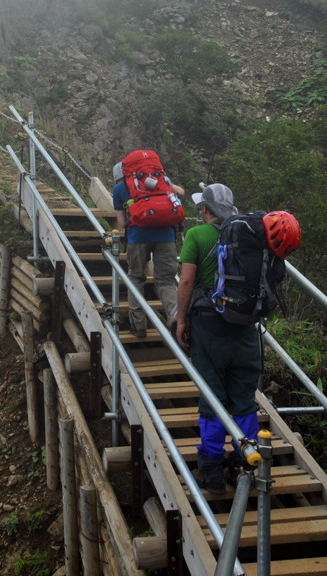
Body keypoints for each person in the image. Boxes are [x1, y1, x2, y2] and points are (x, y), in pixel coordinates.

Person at [177, 183, 261, 493]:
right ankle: (246, 463)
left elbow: (186, 279)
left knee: (212, 395)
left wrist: (181, 319)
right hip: (245, 327)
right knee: (243, 396)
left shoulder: (197, 235)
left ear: (205, 209)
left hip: (209, 325)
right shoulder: (249, 234)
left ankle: (211, 472)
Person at [112, 161, 184, 338]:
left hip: (138, 237)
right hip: (166, 235)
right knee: (166, 280)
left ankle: (138, 325)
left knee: (136, 277)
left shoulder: (119, 188)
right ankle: (175, 316)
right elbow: (181, 192)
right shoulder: (159, 180)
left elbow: (122, 223)